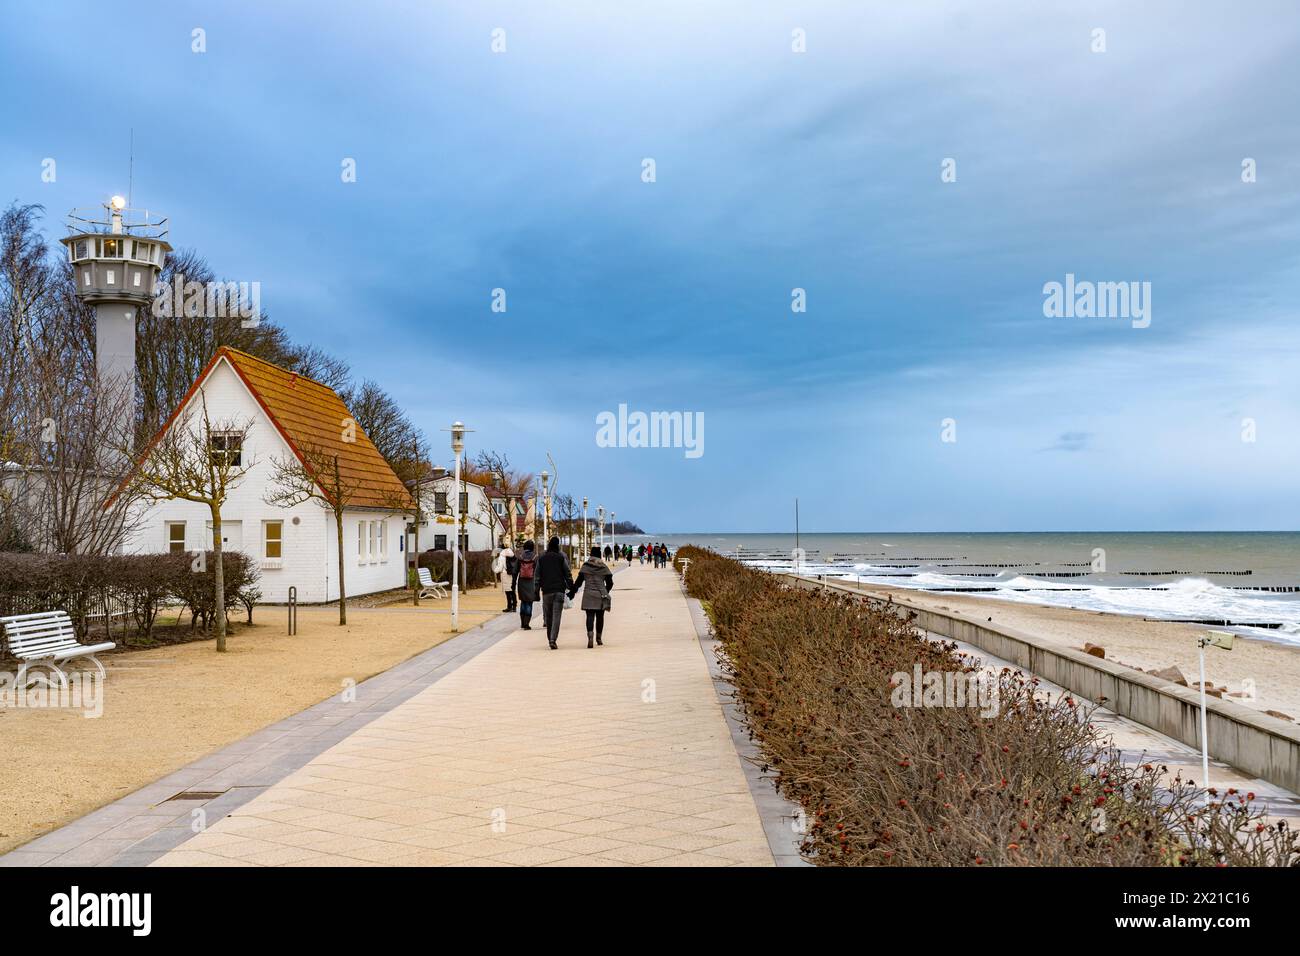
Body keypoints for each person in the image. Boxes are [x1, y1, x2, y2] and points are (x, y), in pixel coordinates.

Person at [569, 546, 614, 648]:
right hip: (600, 595)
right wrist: (605, 591)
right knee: (600, 617)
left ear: (591, 555)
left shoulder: (585, 566)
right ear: (599, 555)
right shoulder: (603, 567)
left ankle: (590, 636)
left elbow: (578, 582)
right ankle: (599, 638)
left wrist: (572, 592)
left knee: (589, 617)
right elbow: (610, 583)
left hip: (588, 594)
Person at [536, 536, 573, 650]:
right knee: (557, 617)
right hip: (559, 591)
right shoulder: (560, 558)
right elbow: (567, 573)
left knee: (549, 616)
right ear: (557, 545)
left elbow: (537, 576)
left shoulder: (541, 559)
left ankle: (550, 639)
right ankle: (553, 639)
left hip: (546, 591)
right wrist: (572, 587)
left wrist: (536, 590)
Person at [513, 540, 537, 630]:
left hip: (521, 582)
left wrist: (513, 583)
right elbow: (538, 571)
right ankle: (527, 623)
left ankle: (522, 623)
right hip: (531, 582)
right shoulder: (535, 557)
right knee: (529, 603)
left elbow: (515, 571)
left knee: (523, 602)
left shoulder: (520, 557)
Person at [495, 542, 516, 612]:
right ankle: (514, 607)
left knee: (507, 591)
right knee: (512, 590)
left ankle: (509, 606)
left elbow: (500, 567)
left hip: (505, 574)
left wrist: (495, 570)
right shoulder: (512, 554)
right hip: (512, 574)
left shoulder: (502, 555)